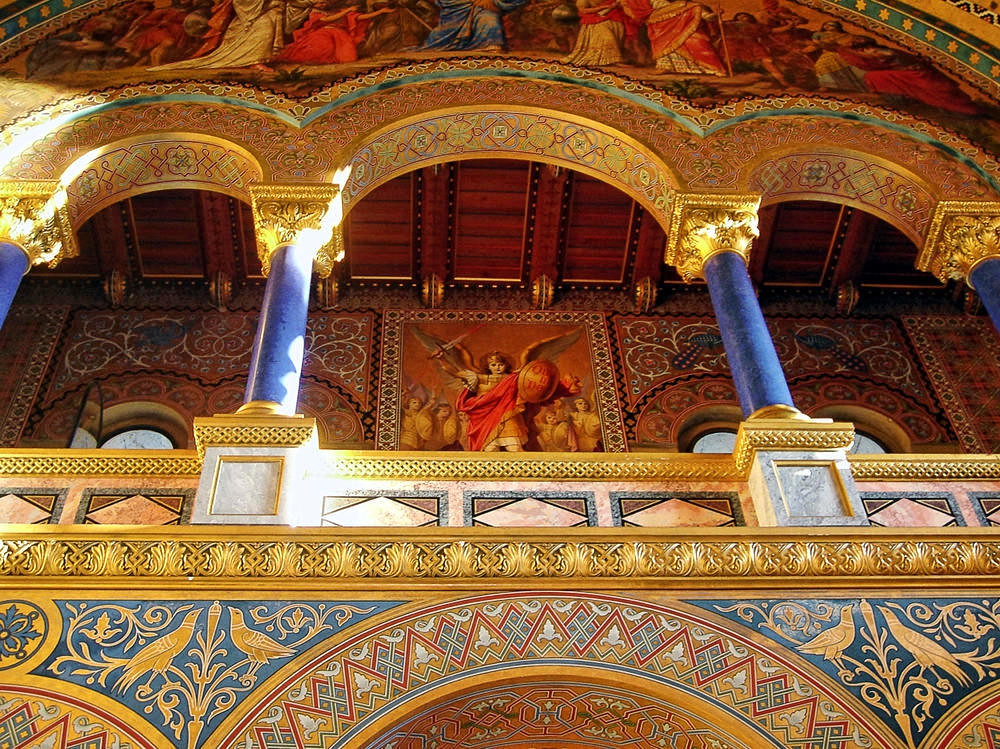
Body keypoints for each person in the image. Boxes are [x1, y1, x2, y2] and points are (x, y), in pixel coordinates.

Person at [150, 0, 315, 70]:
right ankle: (254, 62)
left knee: (268, 36)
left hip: (274, 14)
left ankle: (261, 60)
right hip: (259, 17)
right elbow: (242, 3)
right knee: (262, 34)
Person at [621, 0, 725, 75]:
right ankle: (665, 66)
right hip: (658, 15)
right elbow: (639, 9)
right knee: (692, 6)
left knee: (692, 32)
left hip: (670, 14)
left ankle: (710, 67)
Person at [270, 2, 393, 64]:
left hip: (340, 36)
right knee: (322, 46)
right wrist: (347, 11)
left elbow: (360, 17)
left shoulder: (339, 11)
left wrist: (380, 12)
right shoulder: (315, 13)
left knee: (348, 57)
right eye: (319, 2)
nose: (323, 4)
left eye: (324, 2)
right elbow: (327, 20)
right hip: (323, 33)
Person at [418, 0, 528, 52]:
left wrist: (492, 2)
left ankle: (489, 47)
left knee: (490, 22)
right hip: (457, 11)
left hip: (485, 9)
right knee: (438, 36)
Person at [564, 0, 633, 67]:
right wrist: (603, 7)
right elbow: (583, 10)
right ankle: (614, 60)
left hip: (612, 16)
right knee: (608, 38)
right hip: (594, 19)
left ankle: (613, 59)